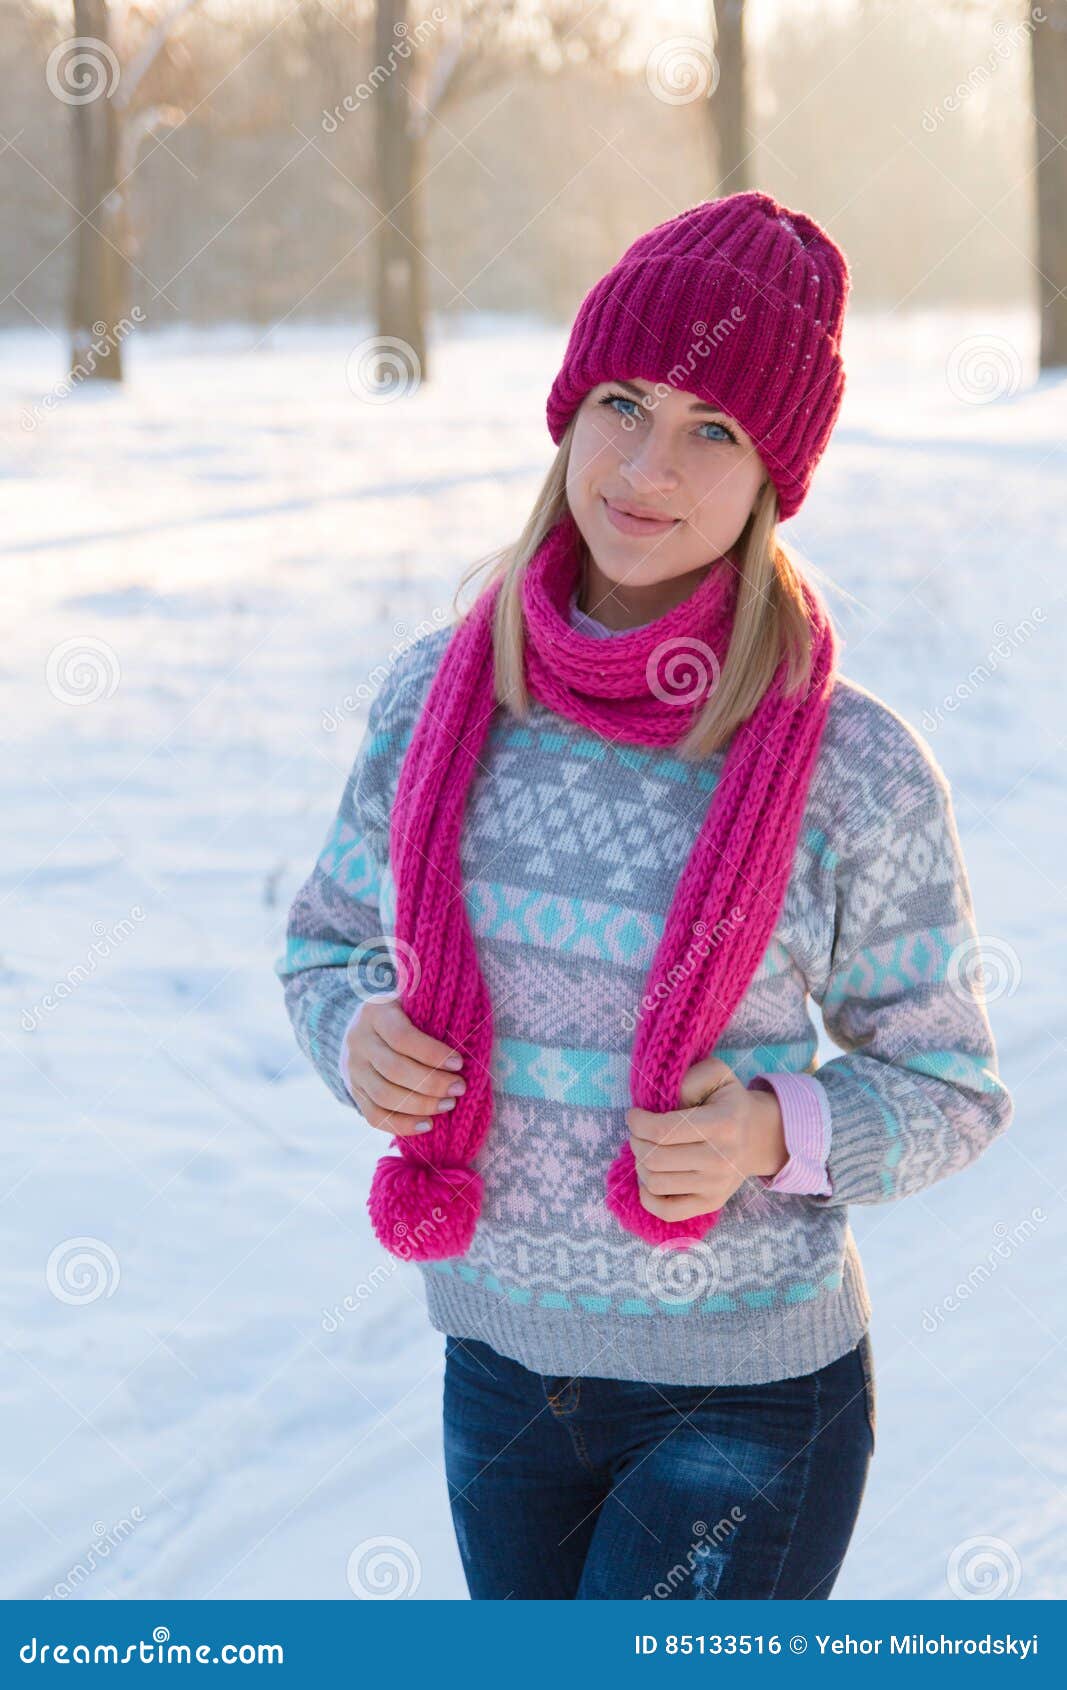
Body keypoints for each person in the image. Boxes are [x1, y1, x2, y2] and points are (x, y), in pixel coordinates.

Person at [275, 190, 1014, 1600]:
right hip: (495, 1376)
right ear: (569, 407)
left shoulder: (852, 764)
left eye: (715, 430)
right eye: (624, 401)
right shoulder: (439, 697)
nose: (647, 464)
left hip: (743, 1405)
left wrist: (766, 1130)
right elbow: (324, 949)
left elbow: (956, 1087)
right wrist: (355, 1030)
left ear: (773, 479)